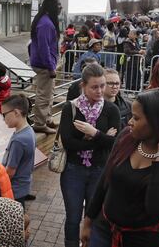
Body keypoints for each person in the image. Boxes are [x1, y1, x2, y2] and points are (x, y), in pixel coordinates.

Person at [81, 89, 159, 247]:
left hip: (145, 241)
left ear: (158, 123)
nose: (130, 122)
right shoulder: (126, 137)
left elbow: (157, 208)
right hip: (104, 231)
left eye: (136, 118)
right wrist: (88, 221)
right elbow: (105, 180)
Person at [59, 63, 121, 247]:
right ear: (83, 86)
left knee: (93, 216)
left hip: (100, 170)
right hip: (73, 170)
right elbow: (69, 143)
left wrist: (93, 133)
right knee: (73, 216)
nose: (100, 91)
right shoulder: (70, 108)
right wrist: (102, 139)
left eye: (103, 86)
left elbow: (116, 142)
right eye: (94, 87)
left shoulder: (111, 110)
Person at [29, 0, 62, 135]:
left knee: (49, 93)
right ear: (51, 6)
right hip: (44, 65)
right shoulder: (45, 24)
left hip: (46, 64)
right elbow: (44, 47)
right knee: (44, 95)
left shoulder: (45, 21)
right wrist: (50, 67)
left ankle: (47, 119)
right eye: (58, 4)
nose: (60, 7)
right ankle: (39, 124)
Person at [0, 94, 36, 207]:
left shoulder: (19, 140)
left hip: (14, 189)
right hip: (23, 186)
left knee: (13, 222)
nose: (3, 118)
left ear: (16, 112)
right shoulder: (29, 130)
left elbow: (10, 171)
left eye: (4, 114)